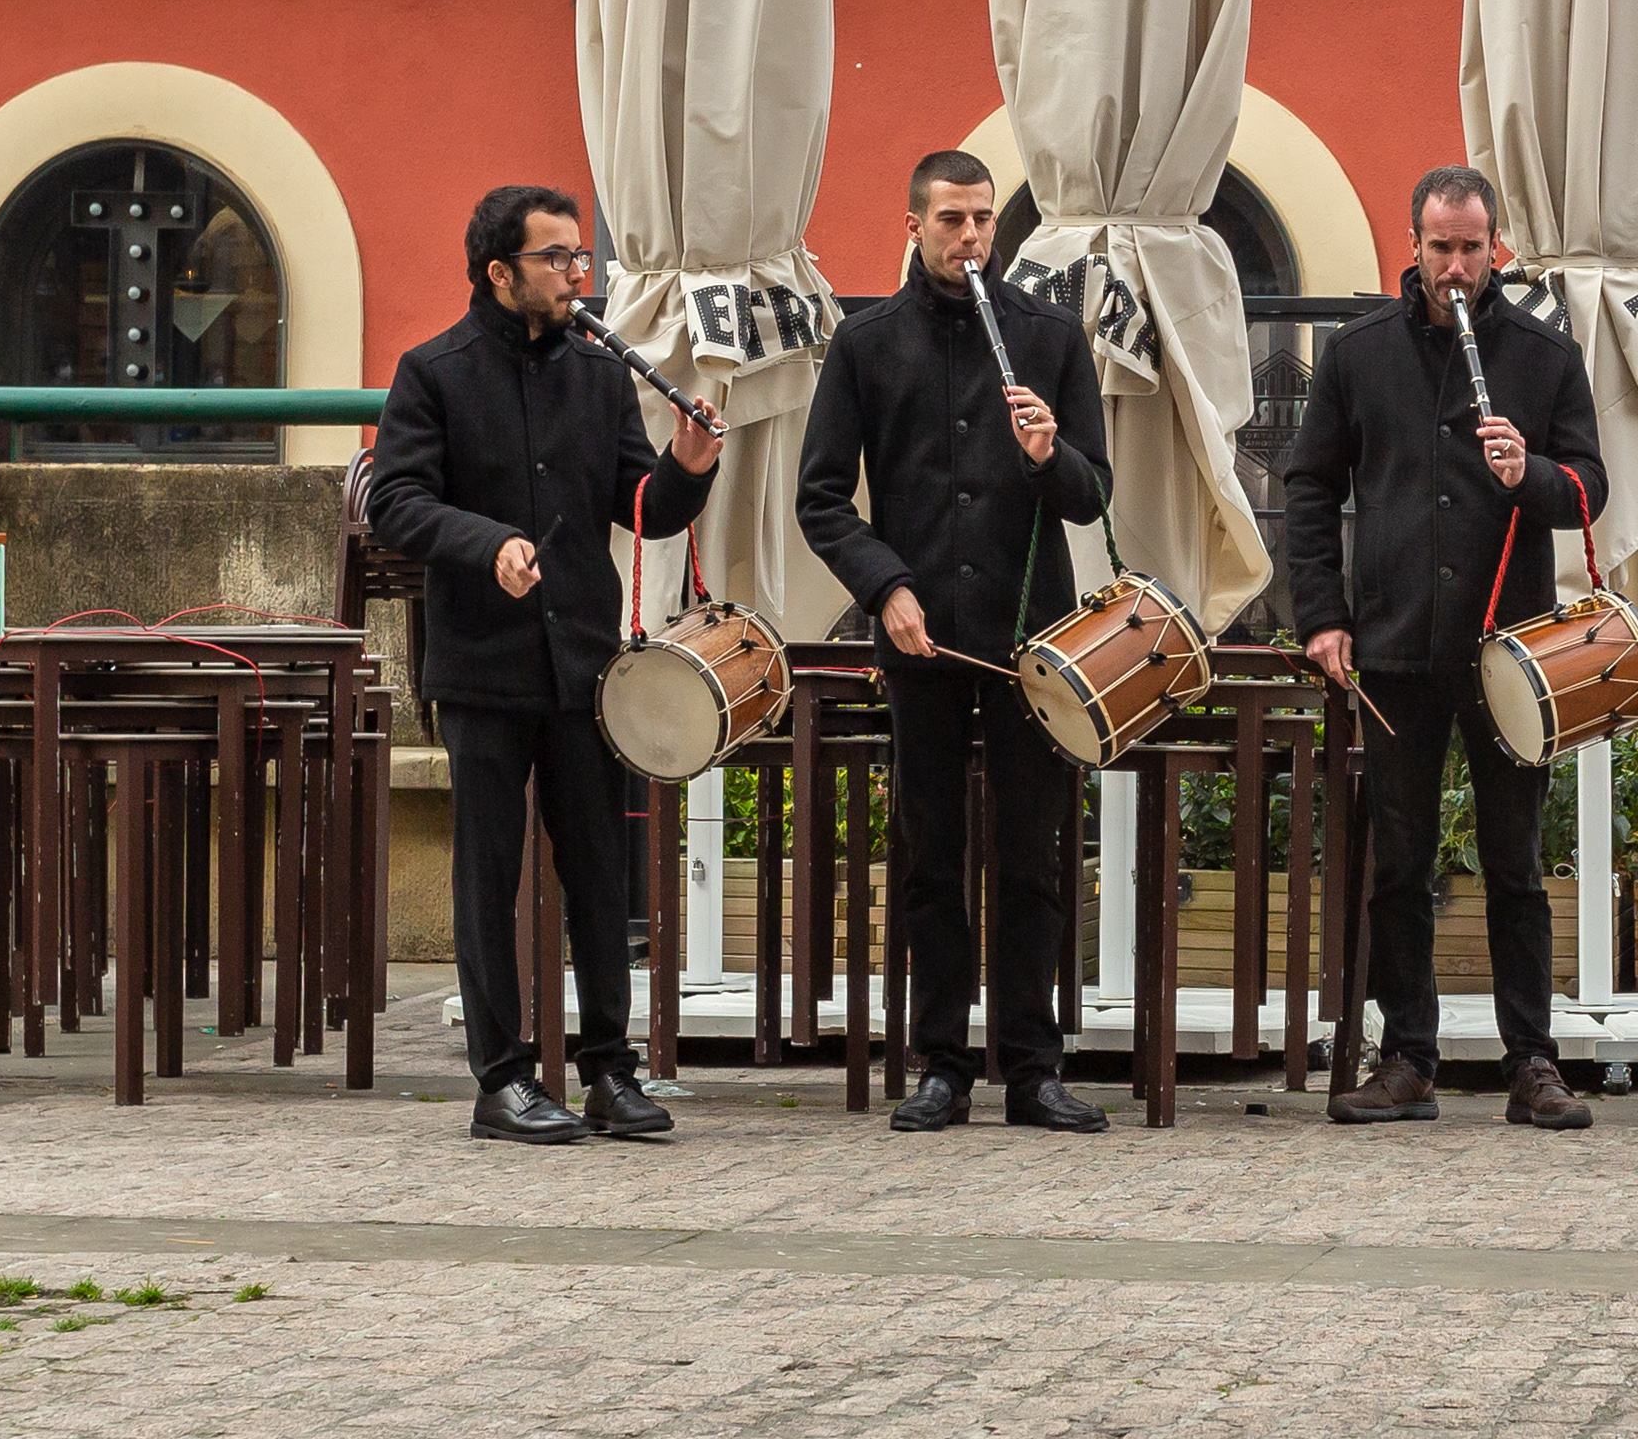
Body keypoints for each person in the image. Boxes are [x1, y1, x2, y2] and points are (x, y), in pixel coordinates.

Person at [371, 185, 722, 1145]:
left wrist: (688, 464)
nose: (578, 275)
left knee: (600, 869)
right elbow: (395, 501)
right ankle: (502, 1080)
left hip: (582, 664)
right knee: (487, 875)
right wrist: (487, 542)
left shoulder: (600, 374)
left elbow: (642, 507)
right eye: (557, 258)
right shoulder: (432, 372)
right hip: (481, 666)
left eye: (580, 257)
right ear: (500, 271)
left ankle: (610, 1071)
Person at [1284, 164, 1610, 1132]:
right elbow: (1310, 487)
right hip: (1392, 643)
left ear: (1495, 247)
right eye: (1441, 247)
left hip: (1509, 650)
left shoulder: (1544, 354)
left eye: (1472, 248)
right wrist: (1322, 614)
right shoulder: (1358, 352)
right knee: (1399, 862)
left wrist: (1530, 473)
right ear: (1413, 243)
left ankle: (1532, 1063)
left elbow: (1589, 489)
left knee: (1515, 863)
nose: (1457, 266)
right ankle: (1408, 1059)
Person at [796, 150, 1116, 1134]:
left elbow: (1093, 494)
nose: (972, 237)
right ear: (915, 226)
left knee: (1032, 855)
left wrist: (1049, 455)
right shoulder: (866, 342)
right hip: (920, 637)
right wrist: (884, 585)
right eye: (952, 220)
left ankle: (1033, 1066)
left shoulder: (1049, 335)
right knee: (931, 855)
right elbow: (820, 498)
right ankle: (941, 1063)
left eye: (983, 219)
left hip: (1029, 641)